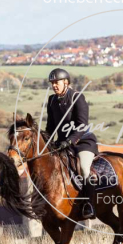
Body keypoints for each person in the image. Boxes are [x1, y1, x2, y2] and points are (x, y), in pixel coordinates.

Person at [44, 68, 100, 220]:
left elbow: (82, 125)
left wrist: (69, 141)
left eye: (57, 82)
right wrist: (45, 142)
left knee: (83, 168)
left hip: (82, 142)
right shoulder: (52, 101)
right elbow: (50, 127)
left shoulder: (77, 97)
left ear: (66, 82)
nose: (54, 85)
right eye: (52, 83)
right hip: (62, 144)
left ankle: (89, 205)